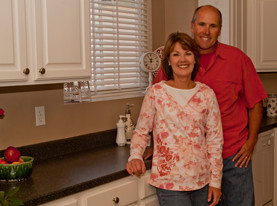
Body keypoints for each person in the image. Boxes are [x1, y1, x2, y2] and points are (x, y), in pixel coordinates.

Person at [151, 5, 268, 206]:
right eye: (202, 24)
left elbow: (256, 103)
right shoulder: (179, 61)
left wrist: (250, 143)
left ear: (219, 30)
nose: (206, 31)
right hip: (192, 163)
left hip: (233, 157)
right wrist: (151, 143)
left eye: (212, 26)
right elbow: (156, 104)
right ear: (192, 25)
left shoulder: (238, 59)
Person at [126, 32, 224, 206]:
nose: (182, 59)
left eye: (187, 53)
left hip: (203, 181)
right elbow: (142, 131)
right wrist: (135, 155)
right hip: (169, 184)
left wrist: (215, 181)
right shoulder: (156, 93)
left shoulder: (206, 94)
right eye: (176, 54)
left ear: (195, 59)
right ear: (168, 61)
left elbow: (215, 140)